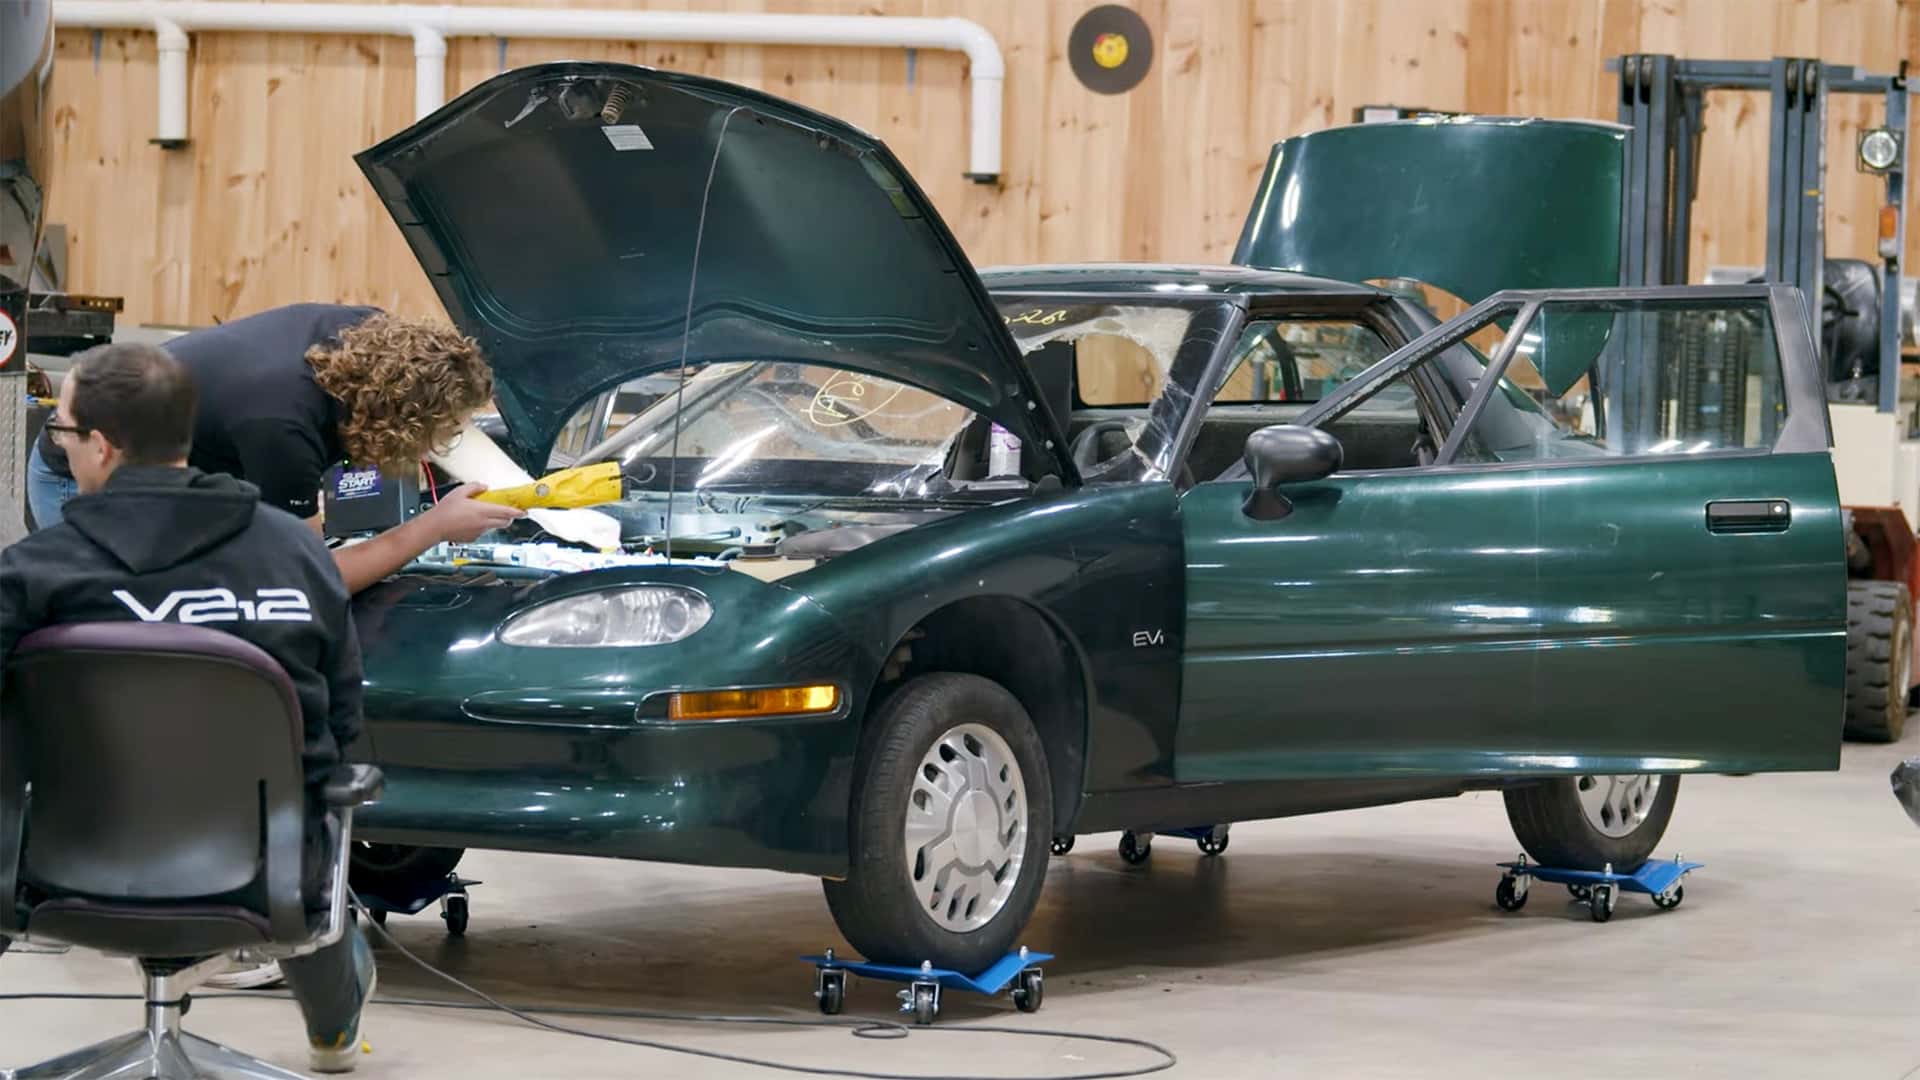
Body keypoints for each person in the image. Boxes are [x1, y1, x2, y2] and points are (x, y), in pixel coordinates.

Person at [0, 343, 377, 1072]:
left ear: (102, 448)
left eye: (63, 433)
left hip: (56, 865)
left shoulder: (31, 573)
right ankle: (332, 1028)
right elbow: (343, 717)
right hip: (262, 873)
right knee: (312, 811)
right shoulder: (294, 557)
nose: (63, 448)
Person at [26, 303, 523, 593]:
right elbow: (306, 583)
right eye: (438, 430)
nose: (445, 443)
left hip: (190, 471)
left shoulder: (370, 337)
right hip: (83, 467)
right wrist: (435, 526)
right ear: (398, 416)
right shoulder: (282, 426)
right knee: (141, 629)